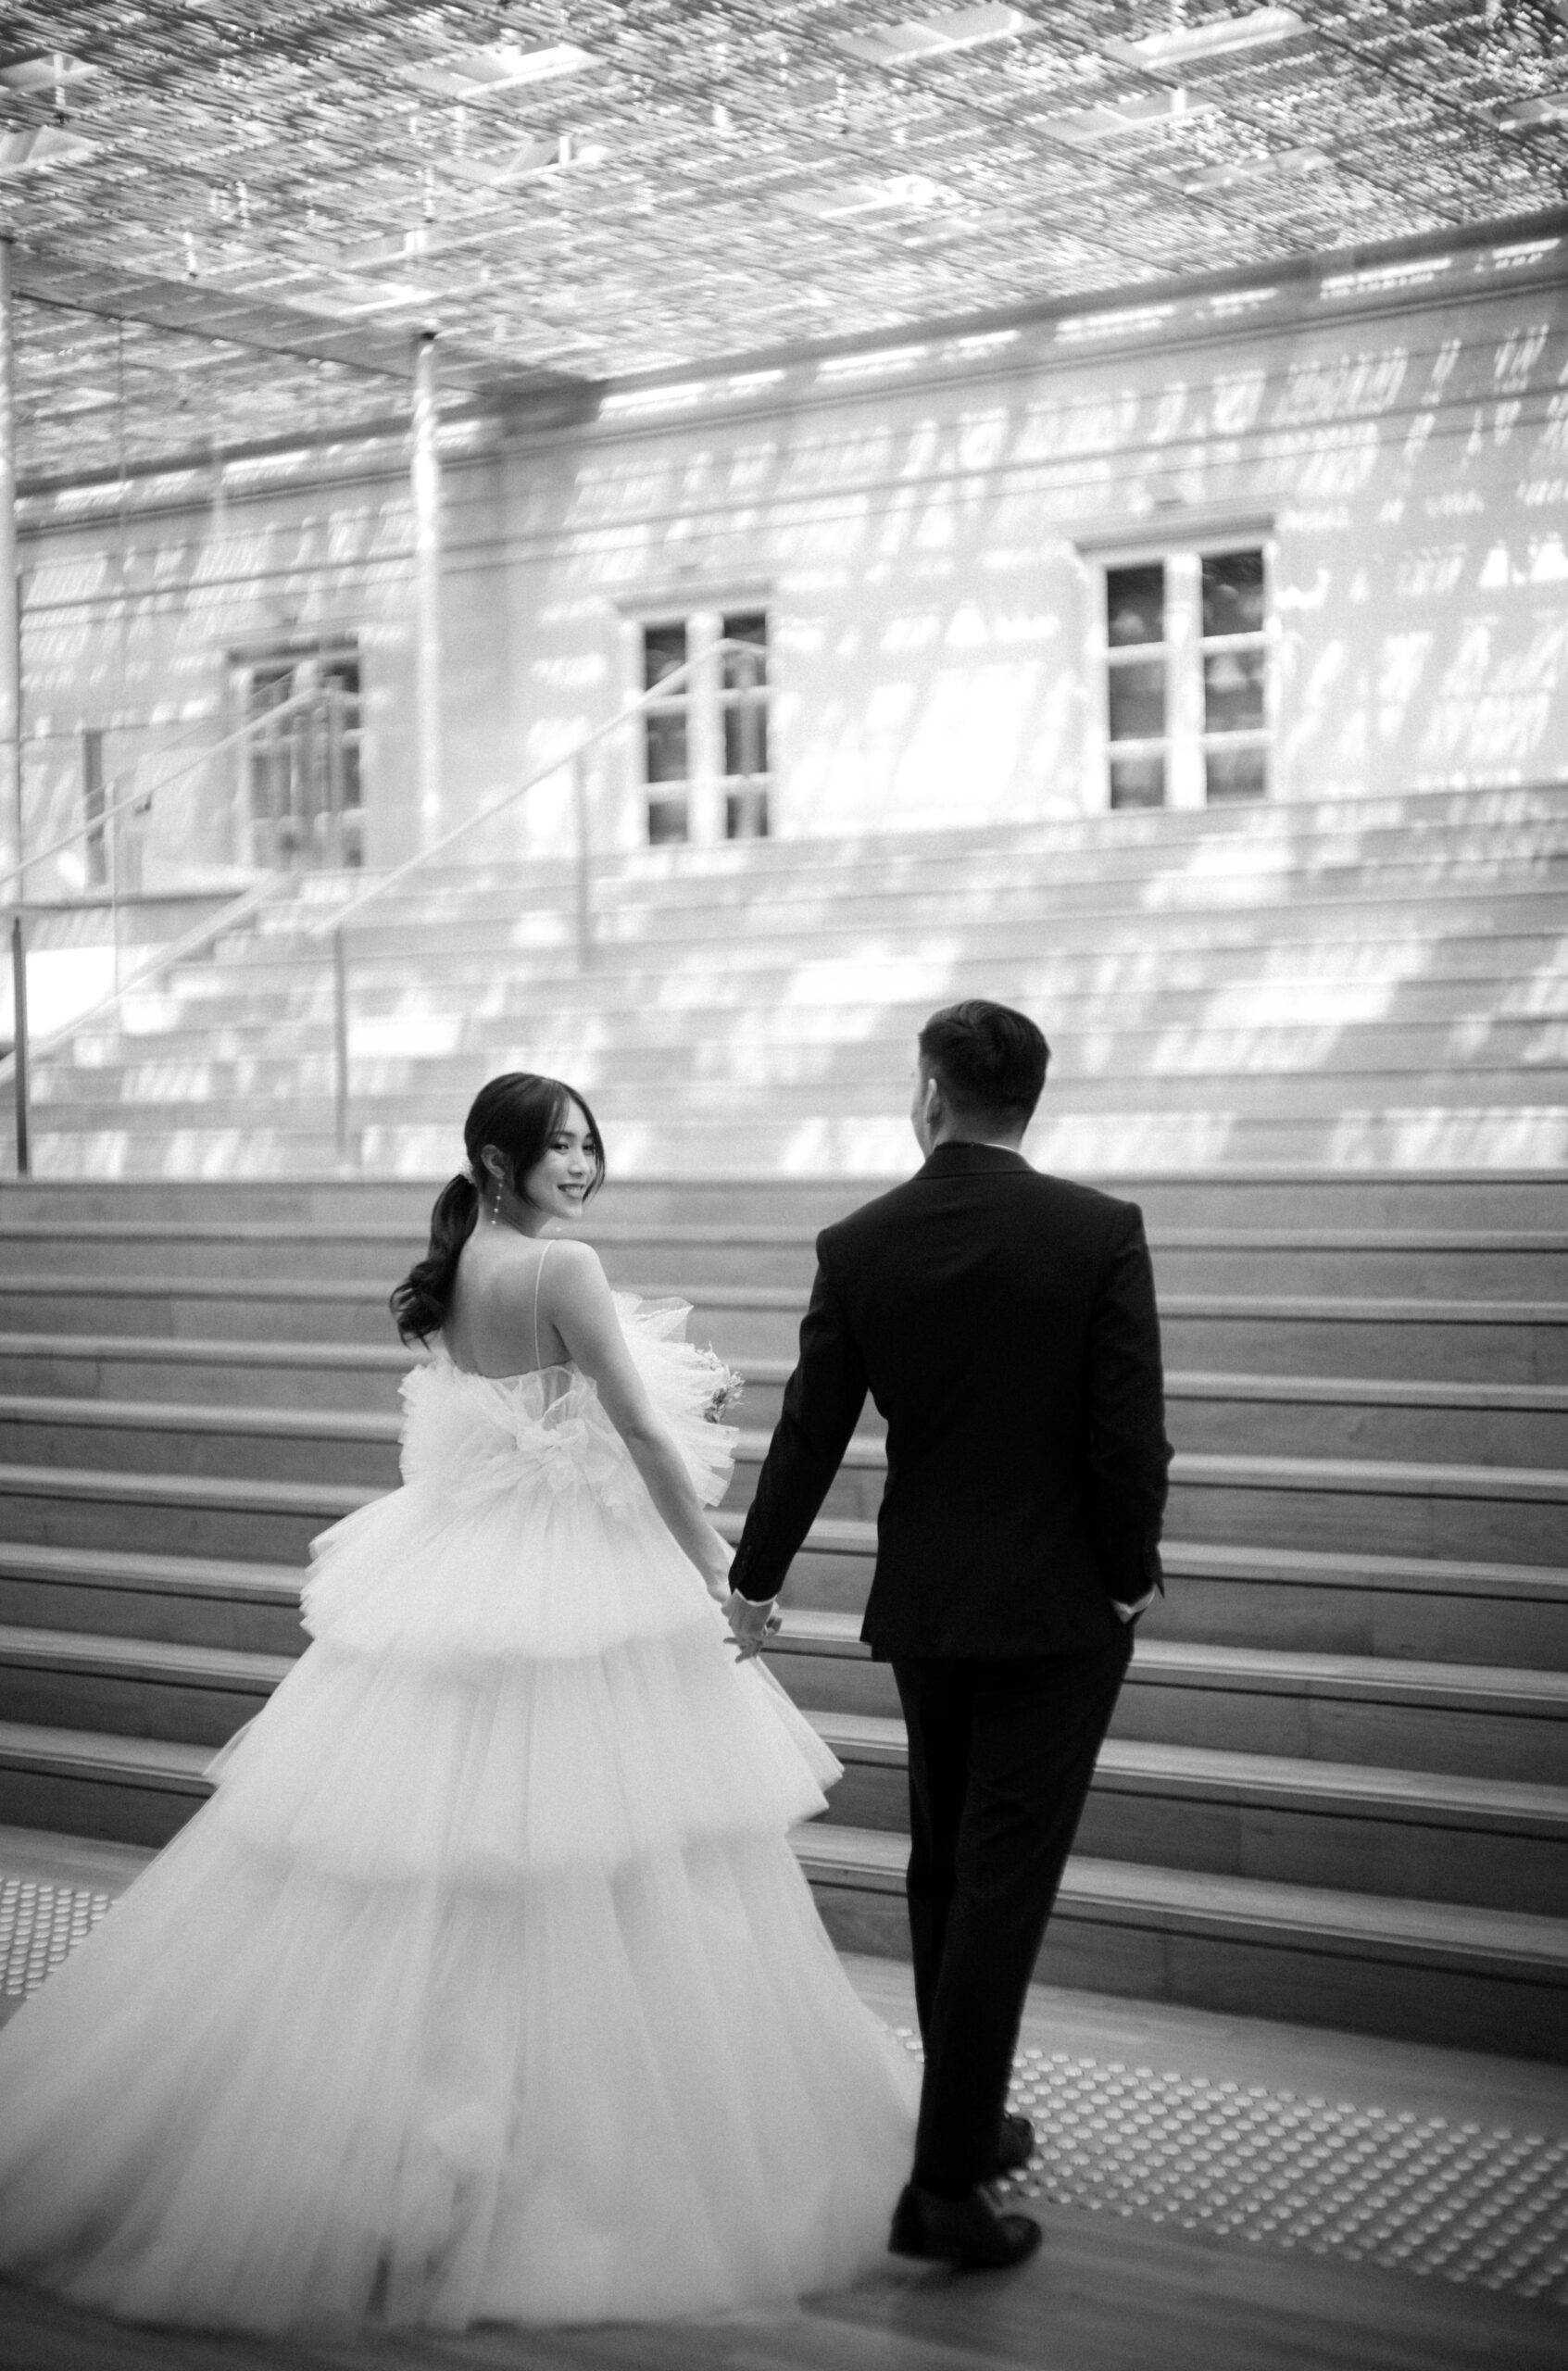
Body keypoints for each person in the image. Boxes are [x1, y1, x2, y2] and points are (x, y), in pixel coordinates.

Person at [0, 1073, 917, 2332]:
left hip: (466, 1570)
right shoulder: (565, 1270)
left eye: (590, 1141)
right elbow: (640, 1435)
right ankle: (553, 2156)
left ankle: (409, 2149)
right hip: (567, 1586)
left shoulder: (460, 1272)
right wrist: (727, 1577)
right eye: (559, 1147)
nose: (583, 1163)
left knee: (457, 1867)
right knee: (601, 1853)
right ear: (497, 1160)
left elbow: (518, 1422)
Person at [727, 1000, 1172, 2272]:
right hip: (1056, 1611)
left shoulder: (861, 1241)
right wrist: (1128, 1577)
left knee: (945, 1868)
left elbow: (811, 1429)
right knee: (1001, 1885)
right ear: (1031, 1101)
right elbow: (1124, 1431)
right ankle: (944, 2187)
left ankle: (960, 2130)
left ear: (929, 1095)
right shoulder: (1097, 1233)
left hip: (929, 1601)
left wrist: (754, 1581)